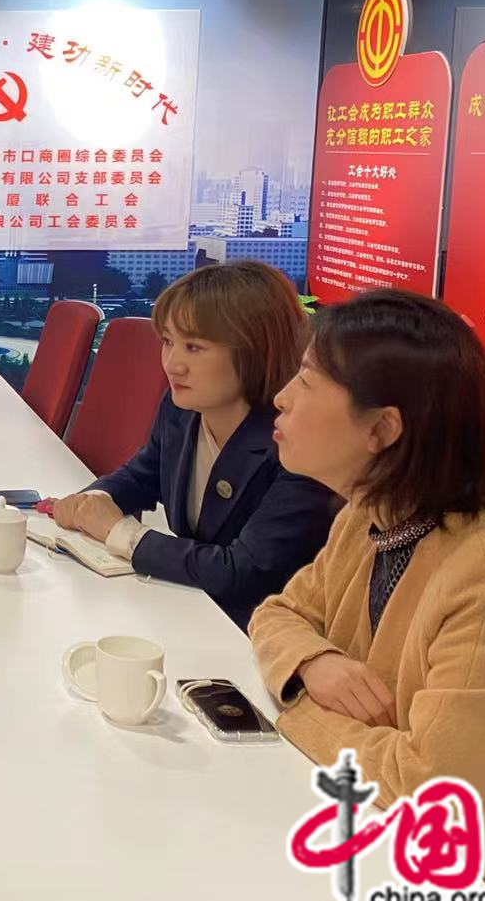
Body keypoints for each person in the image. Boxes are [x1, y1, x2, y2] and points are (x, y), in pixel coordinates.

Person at [252, 289, 485, 901]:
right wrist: (313, 660)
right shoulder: (375, 512)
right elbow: (278, 613)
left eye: (307, 382)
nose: (281, 399)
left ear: (382, 429)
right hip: (377, 854)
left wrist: (296, 702)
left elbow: (426, 790)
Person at [51, 261, 341, 628]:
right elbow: (143, 475)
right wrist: (93, 501)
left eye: (194, 347)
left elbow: (243, 572)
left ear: (254, 350)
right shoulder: (181, 410)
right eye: (168, 342)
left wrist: (121, 533)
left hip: (259, 633)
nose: (173, 364)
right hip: (189, 611)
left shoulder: (297, 444)